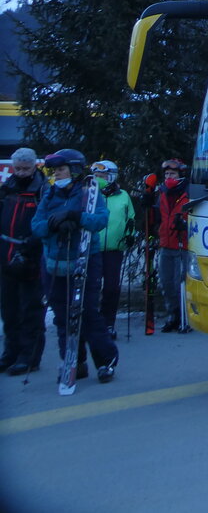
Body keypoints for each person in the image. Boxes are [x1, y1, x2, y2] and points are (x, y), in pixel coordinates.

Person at [31, 148, 119, 384]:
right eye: (55, 171)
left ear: (75, 170)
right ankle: (74, 362)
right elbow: (36, 226)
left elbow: (100, 220)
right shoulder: (49, 194)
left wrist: (76, 217)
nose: (57, 174)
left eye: (61, 169)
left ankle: (105, 361)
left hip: (84, 261)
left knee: (87, 313)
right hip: (55, 263)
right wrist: (53, 226)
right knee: (63, 316)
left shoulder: (88, 194)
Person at [0, 148, 47, 377]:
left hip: (31, 257)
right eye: (17, 168)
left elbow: (45, 223)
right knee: (9, 310)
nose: (20, 172)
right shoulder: (7, 187)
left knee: (31, 310)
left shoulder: (42, 190)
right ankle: (11, 352)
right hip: (6, 255)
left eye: (25, 168)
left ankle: (29, 357)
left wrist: (32, 245)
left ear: (34, 166)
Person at [90, 160, 137, 339]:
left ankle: (108, 322)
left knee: (111, 288)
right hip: (92, 249)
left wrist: (130, 235)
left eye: (102, 176)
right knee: (92, 287)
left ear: (111, 177)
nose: (98, 179)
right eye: (96, 176)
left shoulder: (122, 195)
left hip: (114, 249)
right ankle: (91, 322)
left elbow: (130, 217)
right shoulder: (90, 194)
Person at [156, 158, 190, 333]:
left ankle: (186, 316)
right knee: (166, 282)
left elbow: (196, 217)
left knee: (180, 282)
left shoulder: (187, 194)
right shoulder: (163, 193)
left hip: (181, 244)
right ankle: (173, 314)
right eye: (167, 174)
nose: (169, 177)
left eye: (173, 174)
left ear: (180, 175)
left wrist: (185, 224)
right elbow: (157, 216)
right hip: (166, 243)